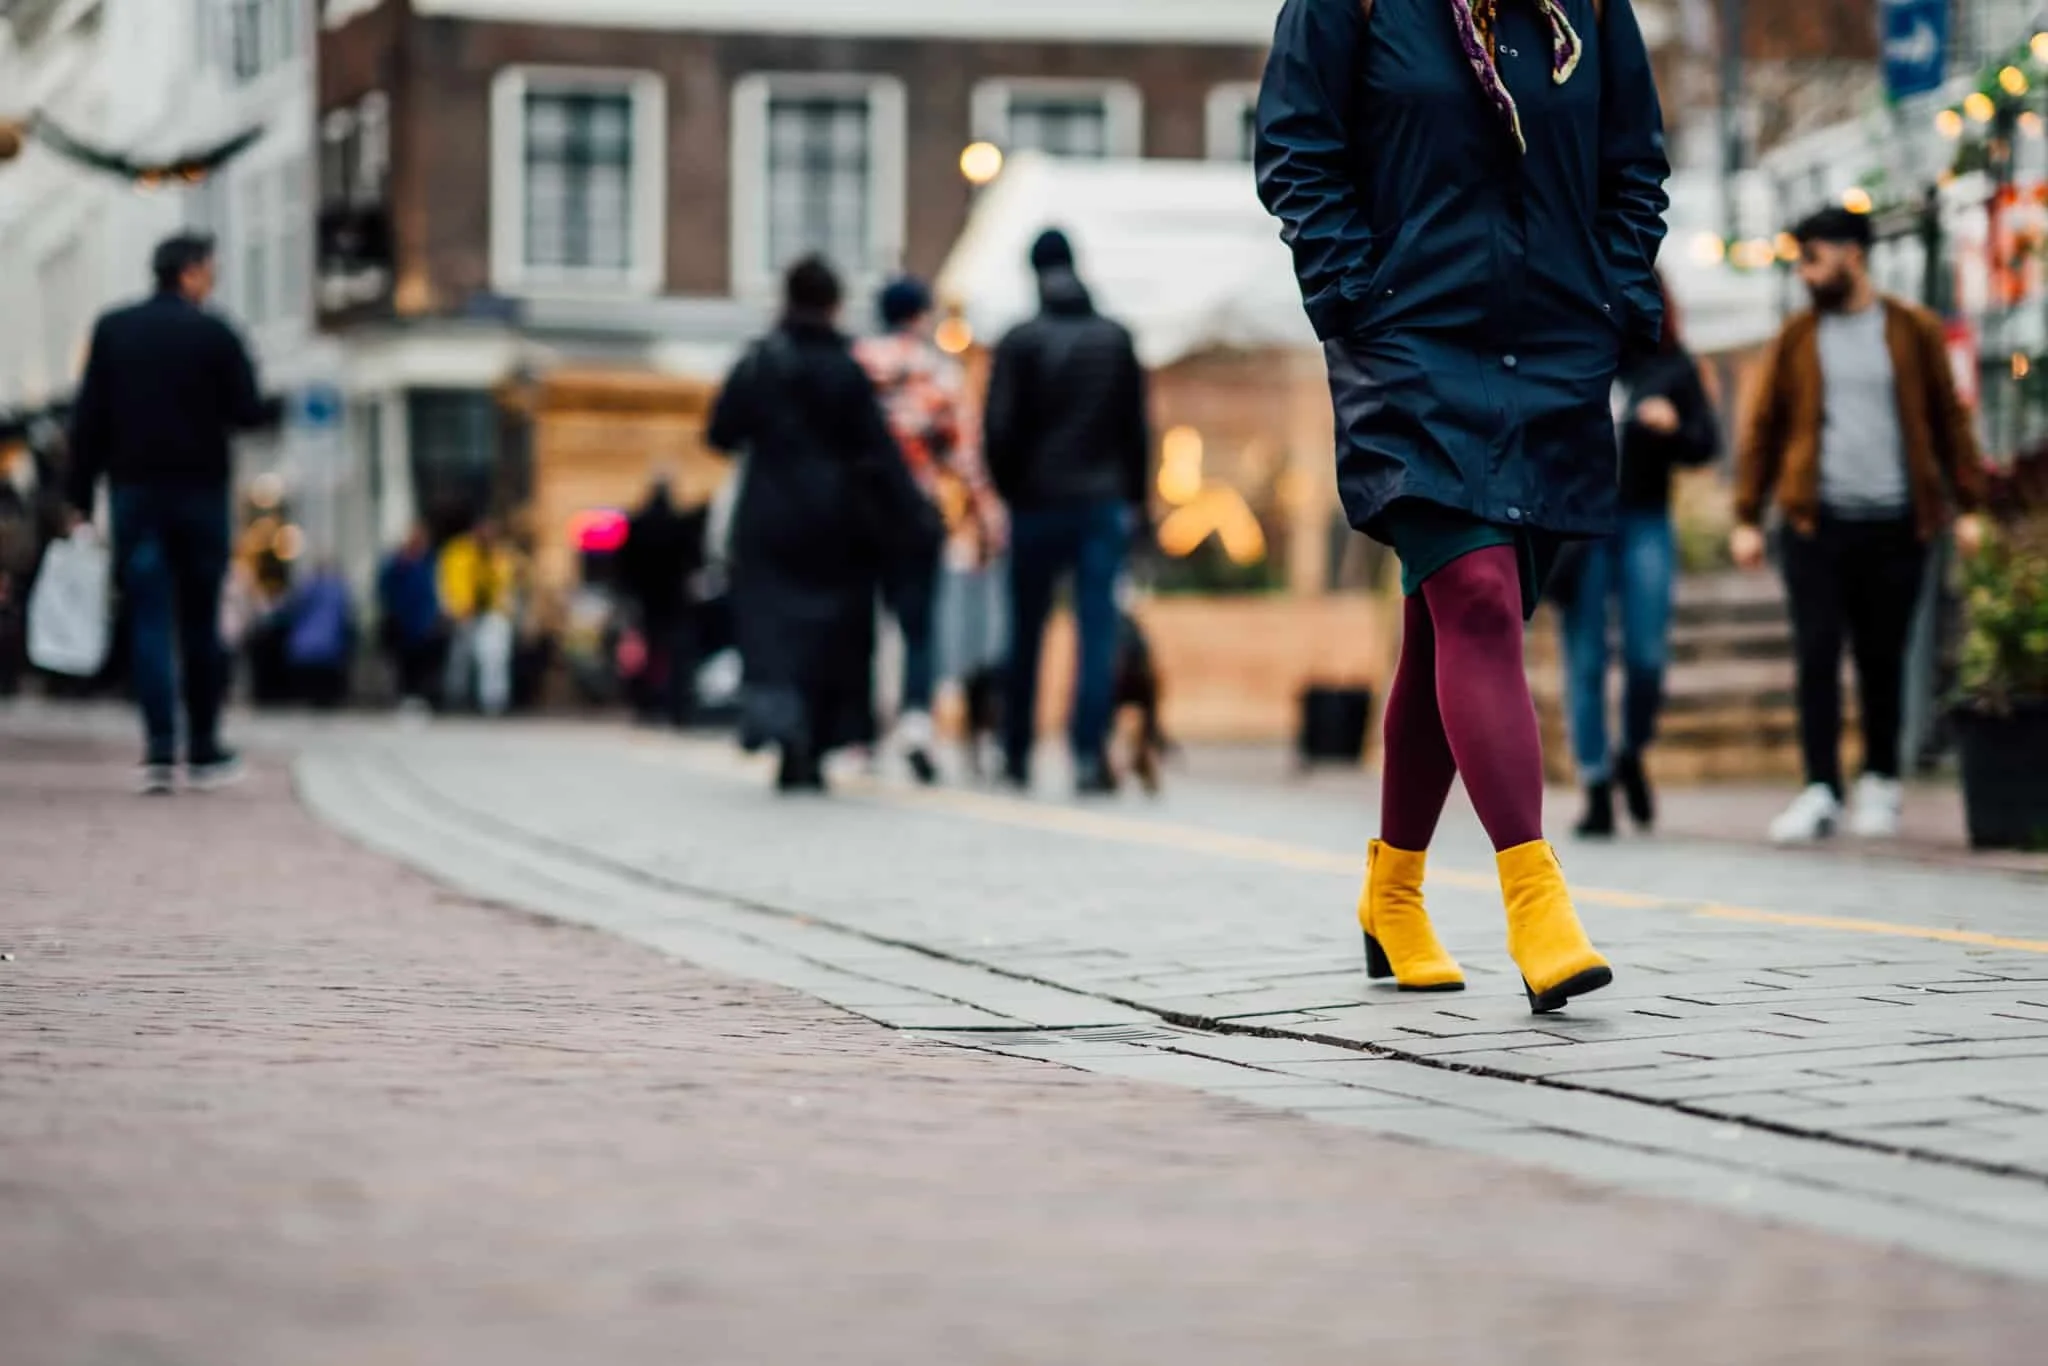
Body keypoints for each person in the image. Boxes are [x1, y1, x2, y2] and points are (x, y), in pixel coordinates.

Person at [1257, 0, 1670, 1013]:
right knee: (1477, 599)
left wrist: (1612, 296)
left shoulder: (1584, 11)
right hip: (1408, 343)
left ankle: (1390, 893)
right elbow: (1293, 146)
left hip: (1551, 348)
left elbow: (1634, 166)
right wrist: (1351, 290)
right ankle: (1534, 897)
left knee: (1446, 626)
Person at [1733, 207, 1988, 843]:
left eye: (1814, 257)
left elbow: (1948, 421)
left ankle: (1881, 782)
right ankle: (1821, 789)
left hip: (1898, 522)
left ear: (1854, 254)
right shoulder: (1796, 338)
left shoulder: (1911, 330)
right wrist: (1745, 515)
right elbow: (1762, 428)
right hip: (1815, 524)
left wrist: (1970, 505)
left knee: (1884, 657)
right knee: (1817, 654)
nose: (1805, 271)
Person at [706, 255, 938, 792]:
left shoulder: (760, 362)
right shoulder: (846, 368)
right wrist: (913, 516)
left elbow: (720, 433)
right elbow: (880, 453)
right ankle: (815, 735)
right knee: (835, 635)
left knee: (773, 629)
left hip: (768, 517)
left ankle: (781, 718)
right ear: (835, 304)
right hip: (837, 522)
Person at [64, 232, 279, 793]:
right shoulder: (215, 332)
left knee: (149, 618)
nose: (214, 280)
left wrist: (80, 499)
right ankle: (204, 749)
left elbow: (88, 420)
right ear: (189, 273)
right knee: (201, 620)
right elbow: (249, 411)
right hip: (200, 493)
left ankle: (160, 747)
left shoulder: (114, 329)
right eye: (211, 269)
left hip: (134, 493)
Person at [984, 229, 1150, 796]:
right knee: (1096, 630)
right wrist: (1135, 500)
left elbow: (998, 431)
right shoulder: (1116, 338)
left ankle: (1015, 751)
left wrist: (1012, 491)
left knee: (1024, 629)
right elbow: (1136, 431)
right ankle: (1085, 753)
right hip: (1100, 502)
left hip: (1035, 502)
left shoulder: (1019, 341)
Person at [1557, 273, 1720, 837]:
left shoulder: (1672, 365)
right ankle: (1597, 783)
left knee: (1647, 655)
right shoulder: (1572, 354)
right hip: (1579, 526)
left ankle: (1632, 751)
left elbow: (1707, 444)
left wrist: (1673, 428)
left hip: (1645, 519)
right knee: (1586, 659)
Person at [855, 275, 1005, 785]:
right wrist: (986, 512)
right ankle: (917, 722)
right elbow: (964, 455)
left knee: (863, 621)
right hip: (917, 511)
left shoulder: (856, 365)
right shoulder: (938, 372)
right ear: (919, 316)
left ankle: (863, 733)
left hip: (859, 510)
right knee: (919, 625)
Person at [617, 476, 708, 728]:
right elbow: (694, 560)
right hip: (675, 599)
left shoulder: (638, 526)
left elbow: (624, 566)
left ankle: (648, 704)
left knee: (648, 654)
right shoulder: (678, 525)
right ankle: (676, 705)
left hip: (648, 599)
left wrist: (627, 593)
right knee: (676, 654)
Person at [438, 518, 521, 716]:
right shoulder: (459, 551)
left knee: (493, 657)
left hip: (494, 612)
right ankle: (457, 699)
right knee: (461, 659)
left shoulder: (499, 553)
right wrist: (456, 607)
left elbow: (508, 581)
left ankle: (493, 701)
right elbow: (451, 581)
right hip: (465, 613)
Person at [378, 524, 446, 711]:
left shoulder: (429, 562)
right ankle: (404, 696)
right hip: (403, 622)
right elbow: (385, 589)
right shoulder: (397, 563)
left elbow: (435, 591)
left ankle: (419, 697)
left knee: (422, 664)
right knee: (403, 662)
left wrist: (436, 615)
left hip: (423, 623)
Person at [281, 561, 356, 708]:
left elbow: (293, 610)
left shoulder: (308, 588)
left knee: (312, 682)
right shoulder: (339, 590)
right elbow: (346, 618)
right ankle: (324, 699)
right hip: (329, 646)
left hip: (308, 645)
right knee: (325, 682)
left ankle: (313, 698)